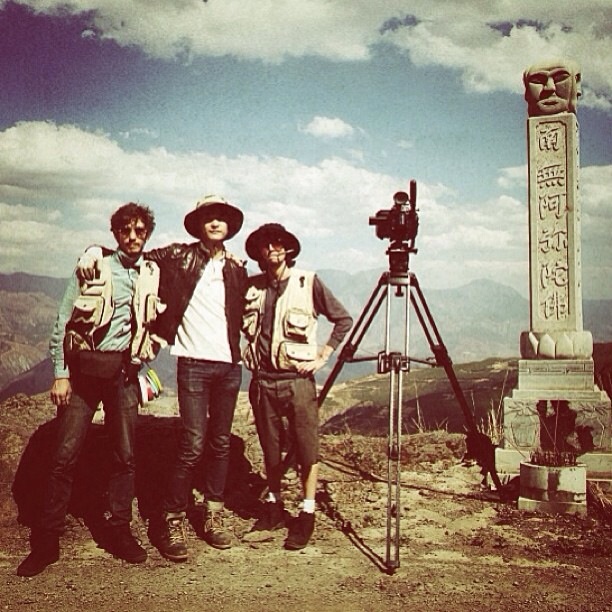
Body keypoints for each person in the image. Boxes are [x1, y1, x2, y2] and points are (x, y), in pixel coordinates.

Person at [77, 195, 247, 561]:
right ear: (199, 224)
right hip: (194, 364)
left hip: (230, 366)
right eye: (209, 218)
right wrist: (96, 250)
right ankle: (171, 517)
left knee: (220, 444)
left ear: (230, 225)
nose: (216, 223)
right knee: (193, 444)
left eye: (222, 218)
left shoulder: (236, 268)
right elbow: (134, 254)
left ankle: (213, 515)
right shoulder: (179, 256)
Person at [17, 203, 162, 577]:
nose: (133, 236)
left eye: (140, 230)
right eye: (126, 230)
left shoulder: (150, 272)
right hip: (83, 372)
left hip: (124, 375)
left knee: (124, 455)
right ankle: (47, 540)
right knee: (64, 455)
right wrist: (61, 374)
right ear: (115, 234)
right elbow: (63, 321)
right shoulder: (93, 266)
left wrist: (145, 359)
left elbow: (154, 322)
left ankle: (118, 530)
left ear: (147, 234)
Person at [242, 223, 352, 550]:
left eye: (279, 243)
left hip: (298, 382)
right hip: (263, 382)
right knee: (270, 449)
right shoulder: (252, 287)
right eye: (266, 244)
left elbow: (342, 319)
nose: (273, 249)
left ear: (288, 248)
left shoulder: (308, 282)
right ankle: (274, 506)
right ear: (259, 252)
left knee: (306, 448)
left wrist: (322, 357)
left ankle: (306, 512)